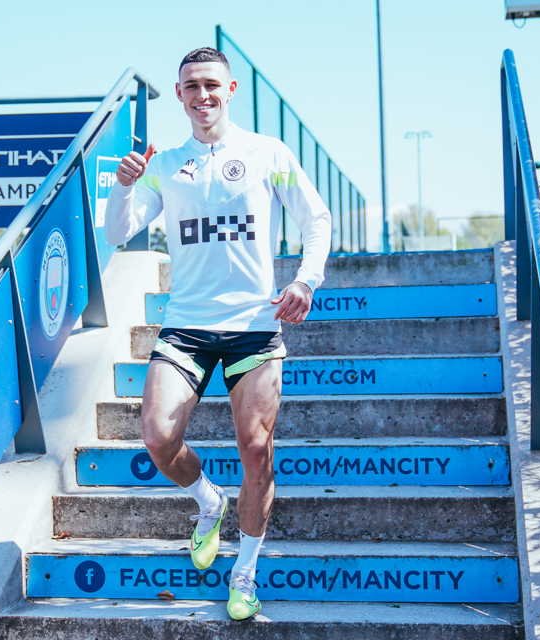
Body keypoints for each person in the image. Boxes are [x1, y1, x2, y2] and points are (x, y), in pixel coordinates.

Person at [104, 46, 331, 621]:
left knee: (256, 450)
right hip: (186, 326)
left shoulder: (267, 153)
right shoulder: (165, 163)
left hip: (255, 327)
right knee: (156, 437)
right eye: (190, 87)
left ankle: (246, 572)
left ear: (230, 92)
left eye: (211, 85)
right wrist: (124, 185)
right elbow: (118, 231)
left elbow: (316, 219)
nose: (201, 95)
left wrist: (306, 281)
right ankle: (209, 501)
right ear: (179, 97)